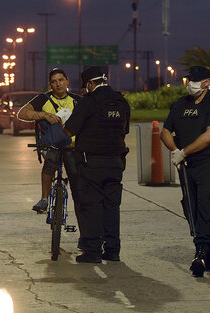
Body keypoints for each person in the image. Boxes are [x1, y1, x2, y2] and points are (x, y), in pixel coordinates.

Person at [160, 65, 210, 277]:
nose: (190, 83)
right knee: (190, 207)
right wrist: (175, 151)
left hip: (207, 163)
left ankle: (200, 251)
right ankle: (208, 252)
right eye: (189, 79)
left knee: (206, 205)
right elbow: (164, 131)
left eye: (195, 80)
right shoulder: (181, 104)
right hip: (186, 165)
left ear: (206, 82)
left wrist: (184, 152)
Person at [63, 66, 130, 263]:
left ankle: (92, 251)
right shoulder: (121, 102)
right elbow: (124, 130)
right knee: (111, 207)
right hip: (116, 163)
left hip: (91, 164)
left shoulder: (88, 103)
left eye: (86, 86)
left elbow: (70, 131)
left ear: (91, 83)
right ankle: (112, 250)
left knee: (91, 206)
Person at [17, 68, 81, 216]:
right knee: (50, 161)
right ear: (50, 85)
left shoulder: (77, 100)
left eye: (60, 80)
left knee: (75, 172)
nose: (58, 84)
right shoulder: (43, 99)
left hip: (72, 147)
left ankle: (80, 201)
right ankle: (44, 199)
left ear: (67, 81)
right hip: (52, 145)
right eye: (54, 81)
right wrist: (43, 115)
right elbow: (22, 113)